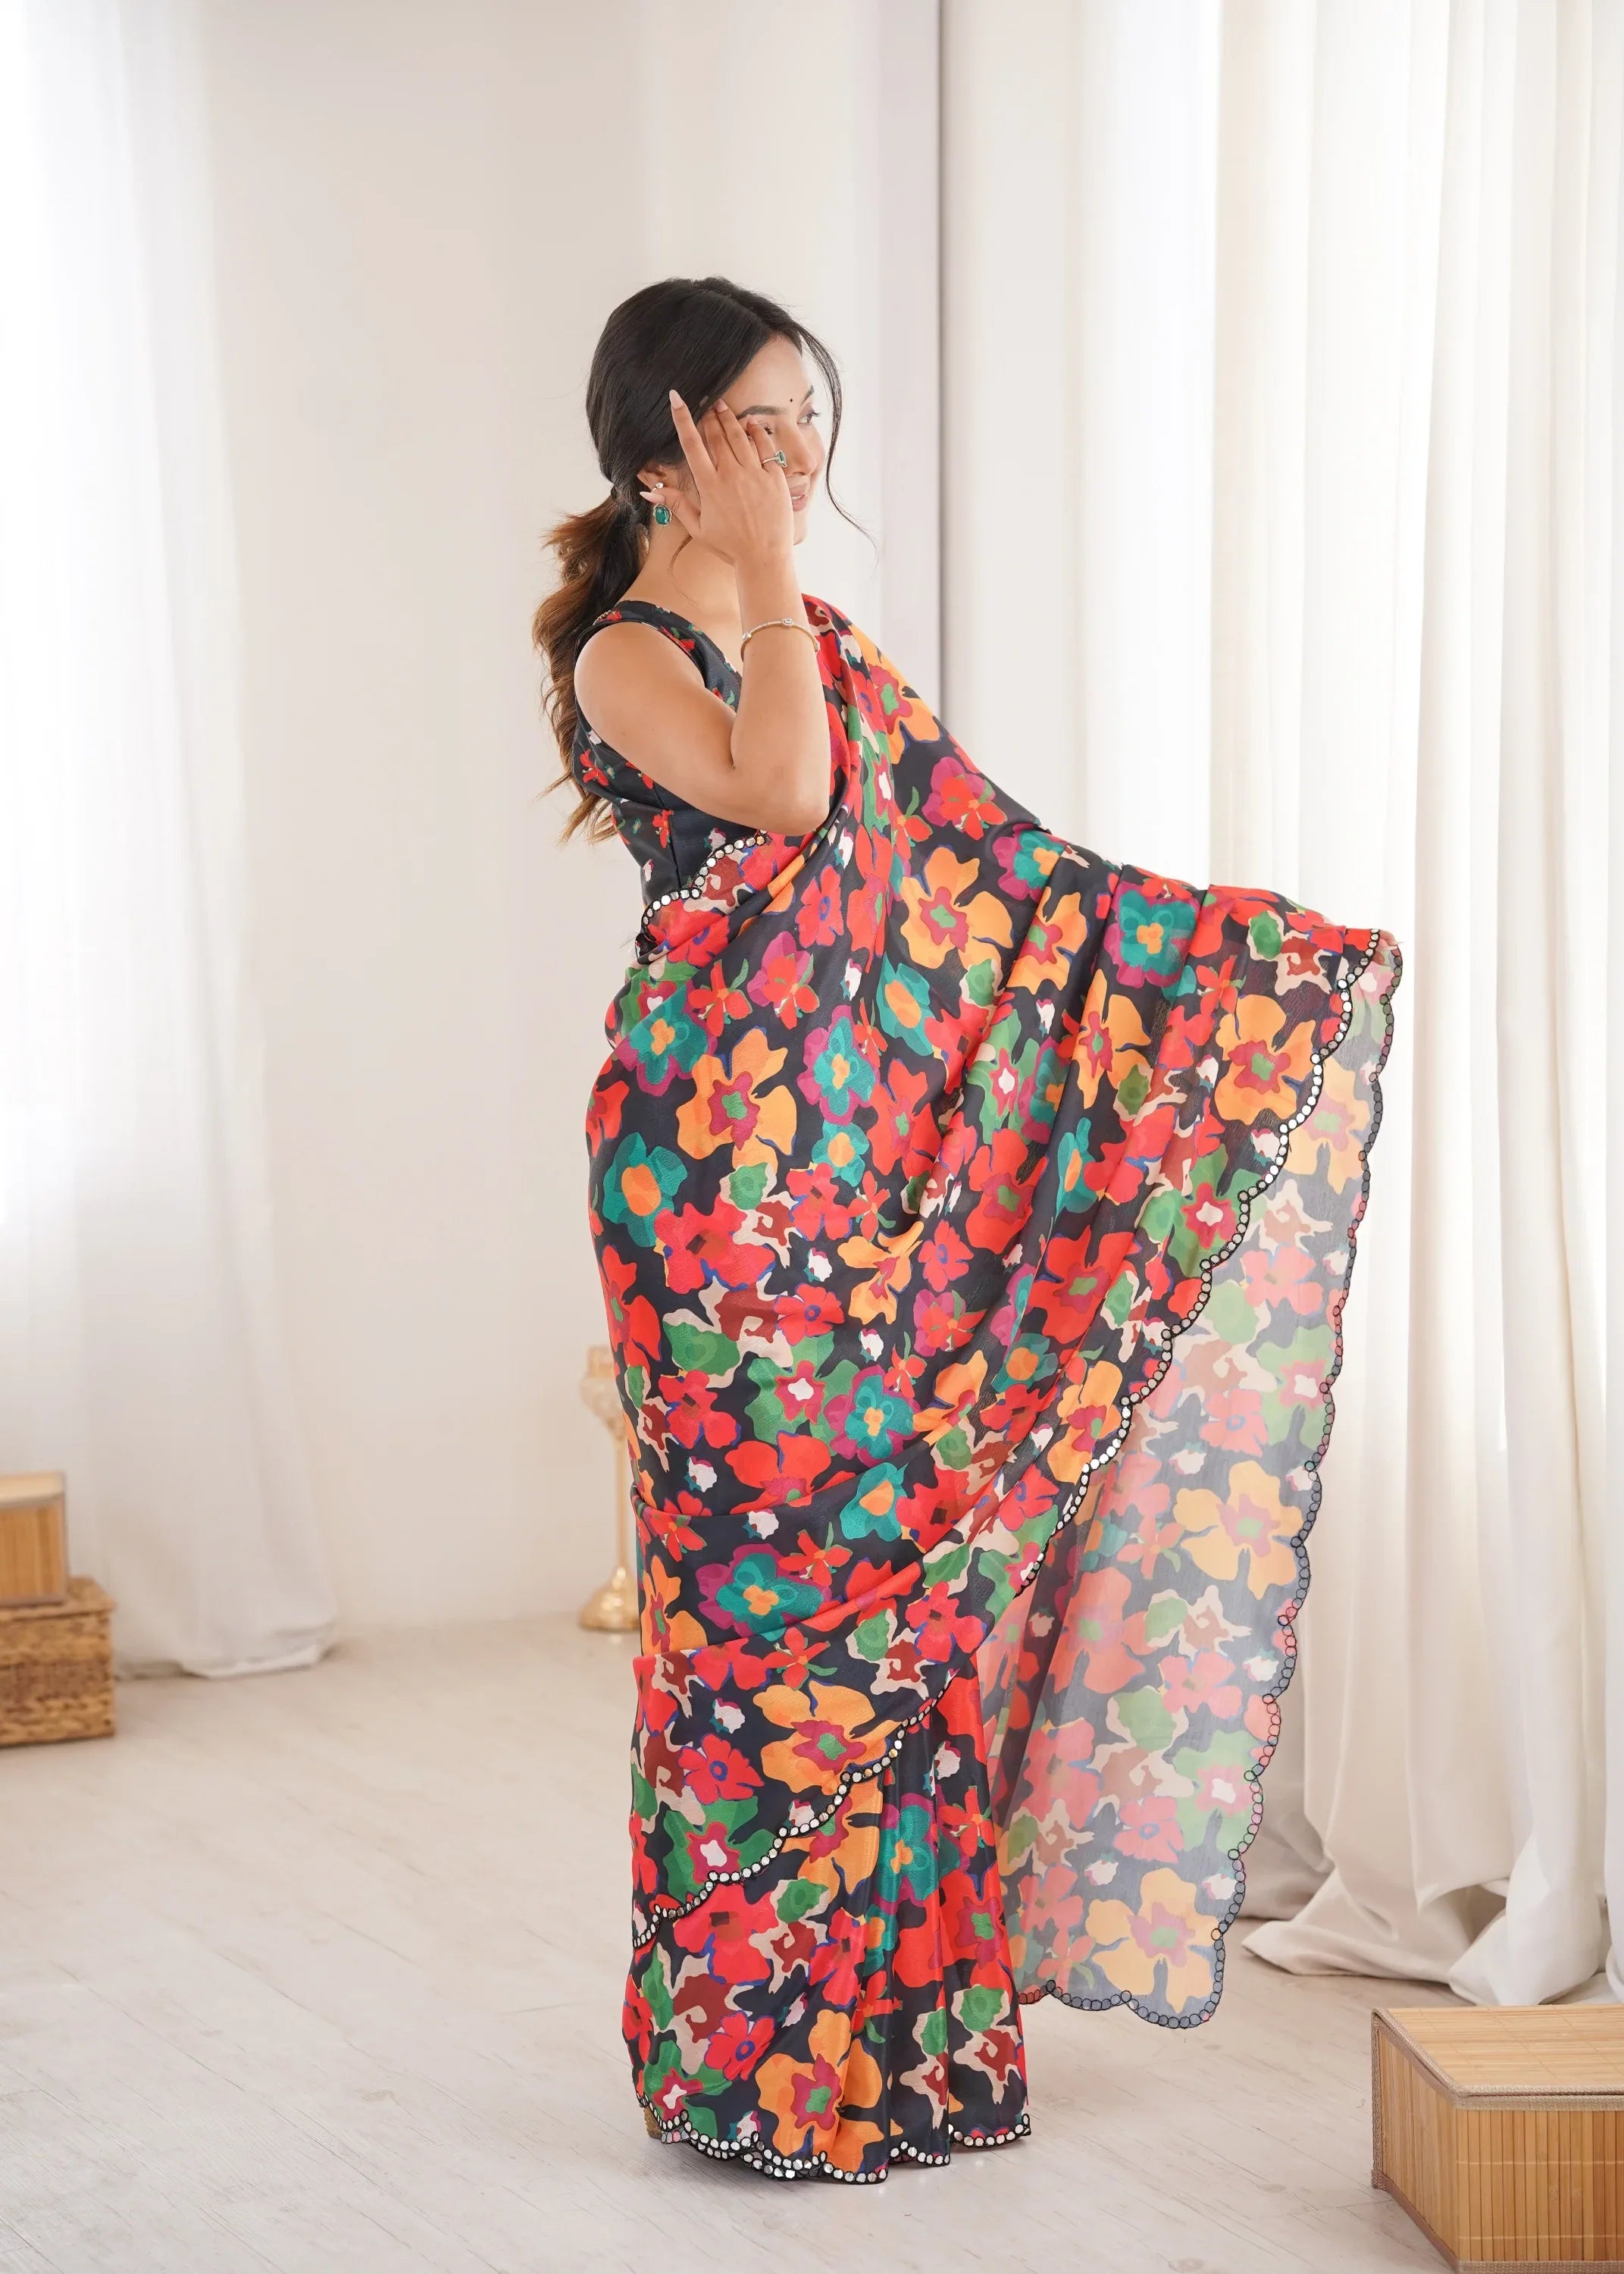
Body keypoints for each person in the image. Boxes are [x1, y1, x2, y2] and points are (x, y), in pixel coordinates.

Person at [534, 276, 1400, 2184]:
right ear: (660, 445)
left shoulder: (812, 633)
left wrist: (1234, 974)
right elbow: (774, 793)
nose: (798, 456)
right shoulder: (628, 650)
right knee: (764, 1617)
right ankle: (759, 2059)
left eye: (807, 421)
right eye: (757, 425)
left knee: (909, 1570)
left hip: (875, 1183)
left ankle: (908, 2047)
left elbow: (1001, 888)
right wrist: (757, 568)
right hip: (714, 1193)